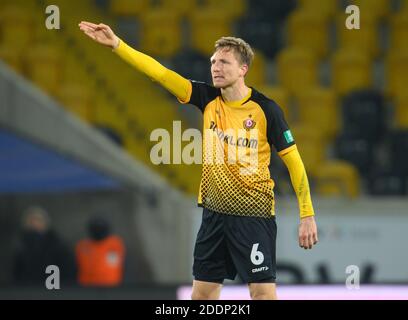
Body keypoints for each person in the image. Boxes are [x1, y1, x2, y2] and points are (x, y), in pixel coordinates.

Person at [78, 21, 318, 300]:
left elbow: (295, 162)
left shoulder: (266, 110)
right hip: (214, 216)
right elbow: (161, 74)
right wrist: (118, 45)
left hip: (253, 216)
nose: (215, 67)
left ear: (243, 69)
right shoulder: (207, 98)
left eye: (224, 62)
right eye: (213, 61)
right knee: (202, 295)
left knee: (262, 293)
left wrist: (307, 214)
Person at [13, 206, 76, 286]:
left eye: (38, 220)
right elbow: (17, 275)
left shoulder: (58, 246)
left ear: (46, 223)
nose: (34, 224)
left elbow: (68, 271)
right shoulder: (21, 249)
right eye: (31, 221)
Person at [75, 215, 125, 287]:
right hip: (87, 287)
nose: (98, 232)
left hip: (112, 286)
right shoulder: (82, 246)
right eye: (96, 229)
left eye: (101, 229)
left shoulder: (116, 245)